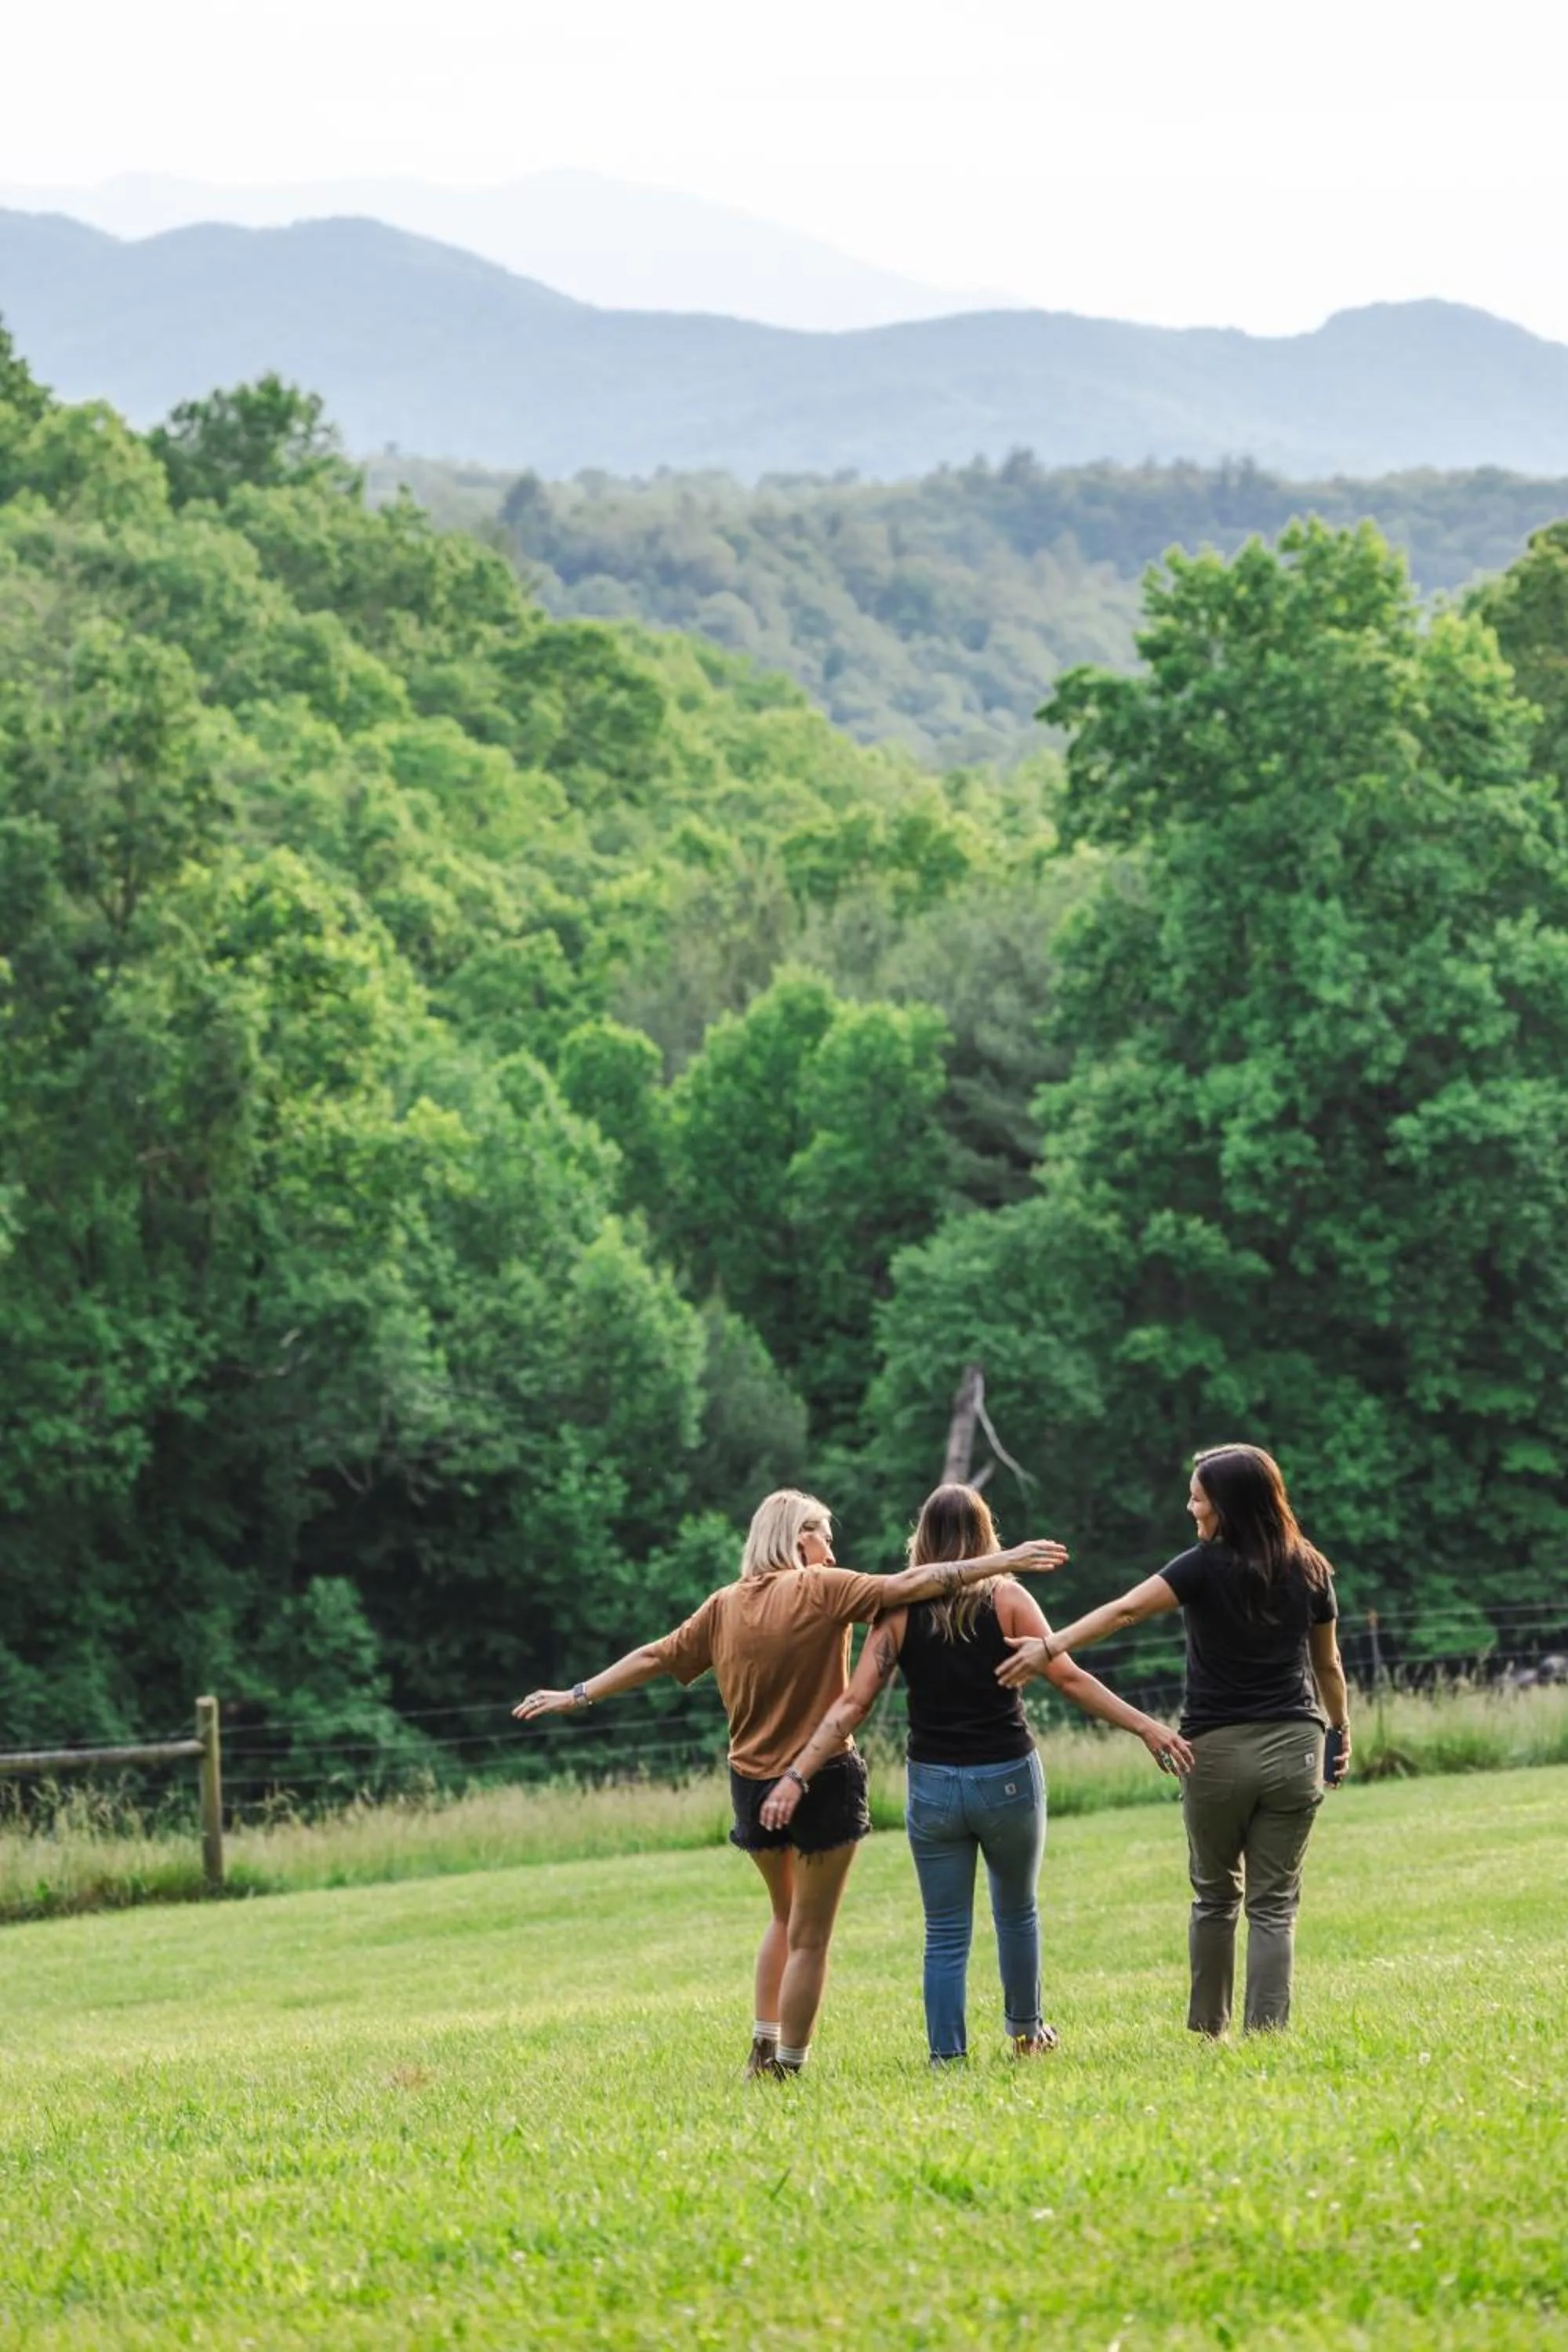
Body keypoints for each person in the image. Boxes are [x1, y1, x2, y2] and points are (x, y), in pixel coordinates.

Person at [513, 1487, 1068, 2078]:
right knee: (809, 1936)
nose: (831, 1550)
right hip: (822, 1778)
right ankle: (789, 2064)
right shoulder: (822, 1589)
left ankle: (763, 2039)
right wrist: (1003, 1561)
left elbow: (656, 1656)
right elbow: (914, 1585)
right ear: (800, 1537)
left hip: (751, 1784)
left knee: (782, 1916)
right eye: (824, 1535)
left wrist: (578, 1694)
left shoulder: (723, 1606)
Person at [760, 1483, 1193, 2065]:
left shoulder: (897, 1611)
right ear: (985, 1536)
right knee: (1017, 1910)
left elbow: (853, 1704)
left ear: (924, 1538)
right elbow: (1068, 1678)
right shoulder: (1008, 1599)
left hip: (934, 1785)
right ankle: (1026, 2033)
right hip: (1007, 1776)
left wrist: (797, 1771)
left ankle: (946, 2056)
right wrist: (1146, 1726)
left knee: (943, 1931)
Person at [997, 1443, 1351, 2037]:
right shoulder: (1310, 1567)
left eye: (1199, 1497)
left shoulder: (1201, 1566)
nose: (1191, 1507)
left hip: (1213, 1752)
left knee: (1215, 1897)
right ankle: (1267, 2034)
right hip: (1296, 1745)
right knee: (1273, 1903)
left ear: (1229, 1506)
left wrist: (1049, 1646)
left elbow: (1126, 1611)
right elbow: (1329, 1665)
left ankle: (1210, 2032)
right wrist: (1339, 1729)